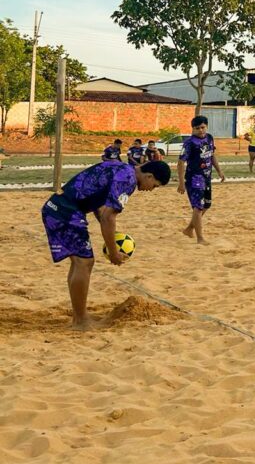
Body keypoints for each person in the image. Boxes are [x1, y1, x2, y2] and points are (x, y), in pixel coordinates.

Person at [40, 158, 171, 329]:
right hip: (66, 212)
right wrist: (113, 253)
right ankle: (80, 321)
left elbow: (97, 201)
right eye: (154, 186)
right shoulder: (128, 181)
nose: (151, 190)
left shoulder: (121, 167)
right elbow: (108, 217)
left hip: (59, 207)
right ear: (149, 176)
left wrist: (109, 236)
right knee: (84, 263)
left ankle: (79, 315)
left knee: (80, 262)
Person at [178, 115, 225, 245]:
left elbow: (212, 155)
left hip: (207, 177)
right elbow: (181, 162)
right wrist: (181, 183)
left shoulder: (209, 138)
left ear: (207, 127)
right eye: (197, 128)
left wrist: (219, 171)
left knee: (207, 205)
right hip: (194, 179)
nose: (200, 130)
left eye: (203, 127)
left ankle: (189, 229)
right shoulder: (190, 143)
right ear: (193, 129)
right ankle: (200, 238)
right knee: (198, 207)